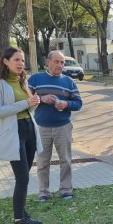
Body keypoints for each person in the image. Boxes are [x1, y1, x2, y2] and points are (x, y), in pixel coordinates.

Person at [0, 47, 43, 224]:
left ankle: (23, 214)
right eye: (16, 60)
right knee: (22, 179)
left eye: (22, 60)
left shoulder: (22, 80)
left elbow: (29, 107)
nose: (21, 63)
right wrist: (26, 103)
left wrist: (34, 101)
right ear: (5, 61)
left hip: (28, 130)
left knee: (25, 176)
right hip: (13, 133)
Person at [28, 51, 83, 201]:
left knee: (65, 160)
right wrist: (41, 98)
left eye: (62, 62)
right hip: (41, 127)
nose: (60, 65)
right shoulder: (35, 79)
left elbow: (78, 103)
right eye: (57, 61)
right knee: (42, 162)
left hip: (63, 127)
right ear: (48, 61)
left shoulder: (68, 81)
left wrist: (66, 104)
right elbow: (26, 99)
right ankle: (43, 192)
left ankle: (66, 189)